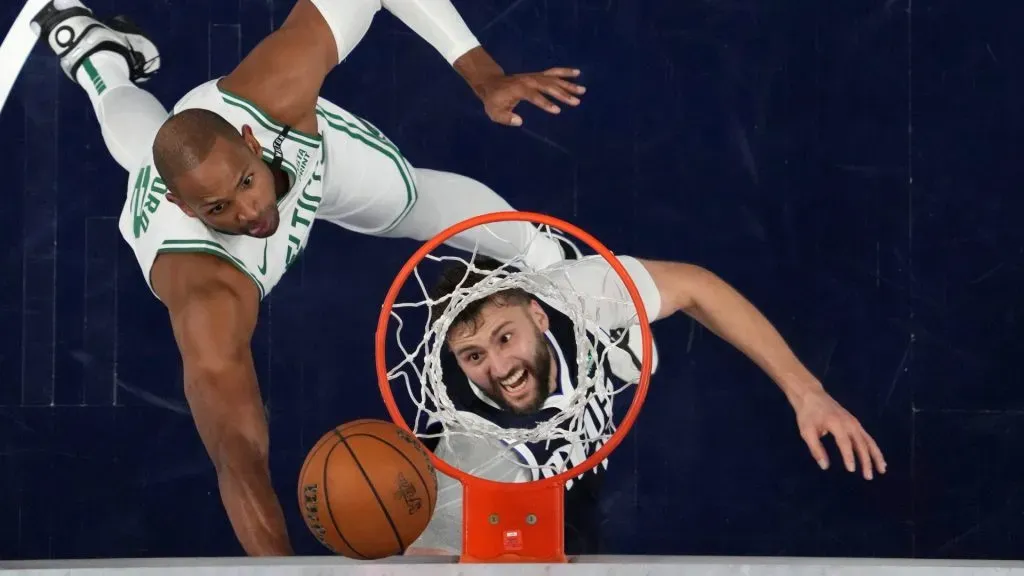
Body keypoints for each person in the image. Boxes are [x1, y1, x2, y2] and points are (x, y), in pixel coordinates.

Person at [30, 0, 587, 556]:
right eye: (220, 207)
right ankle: (100, 63)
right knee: (142, 154)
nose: (250, 214)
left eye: (247, 183)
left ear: (249, 142)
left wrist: (484, 76)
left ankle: (550, 259)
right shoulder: (208, 293)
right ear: (186, 207)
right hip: (202, 231)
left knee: (416, 202)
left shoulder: (273, 95)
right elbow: (237, 455)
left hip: (294, 152)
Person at [410, 253, 888, 554]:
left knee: (633, 335)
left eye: (505, 337)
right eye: (474, 355)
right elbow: (432, 554)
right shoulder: (467, 444)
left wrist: (808, 393)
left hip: (579, 441)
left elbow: (696, 286)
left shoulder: (578, 294)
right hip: (520, 495)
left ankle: (625, 347)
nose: (498, 366)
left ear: (538, 316)